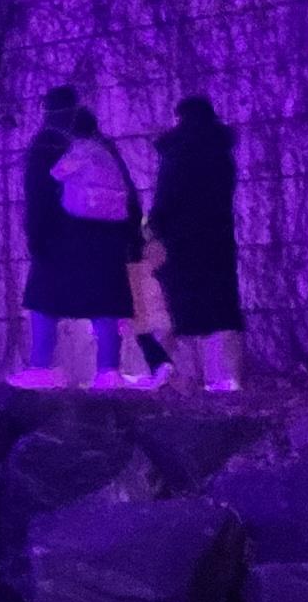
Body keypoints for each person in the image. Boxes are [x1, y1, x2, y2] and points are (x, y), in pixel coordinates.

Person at [151, 96, 245, 392]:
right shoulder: (221, 150)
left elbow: (166, 197)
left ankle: (189, 376)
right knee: (220, 304)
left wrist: (154, 227)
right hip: (217, 236)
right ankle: (225, 376)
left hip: (183, 239)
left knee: (186, 305)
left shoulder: (177, 152)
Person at [47, 103, 140, 384]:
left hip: (88, 228)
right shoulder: (108, 153)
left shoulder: (80, 151)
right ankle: (110, 368)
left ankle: (106, 370)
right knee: (110, 301)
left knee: (97, 301)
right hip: (113, 231)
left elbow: (56, 173)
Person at [19, 82, 83, 378]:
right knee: (101, 298)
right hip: (81, 229)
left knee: (42, 298)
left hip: (51, 230)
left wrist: (35, 233)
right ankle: (108, 367)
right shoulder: (81, 145)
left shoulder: (45, 145)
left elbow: (37, 193)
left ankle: (41, 365)